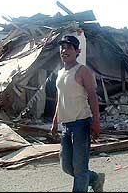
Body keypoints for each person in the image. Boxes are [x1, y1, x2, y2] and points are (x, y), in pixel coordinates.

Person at [51, 35, 105, 192]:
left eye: (69, 47)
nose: (64, 50)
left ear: (77, 51)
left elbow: (93, 97)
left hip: (81, 123)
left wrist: (96, 122)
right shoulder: (60, 73)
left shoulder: (83, 71)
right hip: (66, 125)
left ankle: (88, 182)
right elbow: (60, 99)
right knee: (67, 166)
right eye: (62, 47)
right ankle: (96, 179)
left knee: (80, 169)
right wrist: (55, 121)